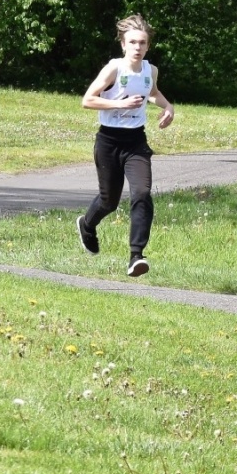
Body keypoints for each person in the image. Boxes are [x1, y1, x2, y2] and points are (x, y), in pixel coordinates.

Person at [75, 14, 174, 277]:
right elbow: (88, 100)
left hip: (136, 141)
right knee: (109, 201)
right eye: (133, 42)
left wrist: (168, 107)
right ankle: (86, 225)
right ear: (123, 45)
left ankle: (136, 256)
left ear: (148, 46)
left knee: (142, 193)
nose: (138, 48)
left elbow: (152, 93)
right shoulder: (114, 69)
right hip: (108, 140)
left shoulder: (149, 70)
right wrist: (119, 103)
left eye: (142, 43)